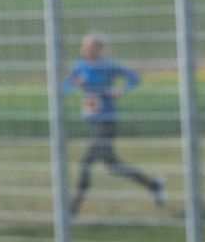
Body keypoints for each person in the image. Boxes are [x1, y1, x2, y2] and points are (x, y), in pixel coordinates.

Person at [63, 35, 162, 215]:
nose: (86, 49)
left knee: (86, 162)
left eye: (90, 46)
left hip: (107, 121)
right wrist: (75, 84)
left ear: (98, 48)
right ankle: (153, 185)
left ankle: (72, 209)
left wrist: (121, 90)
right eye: (84, 46)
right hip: (93, 122)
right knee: (112, 165)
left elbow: (134, 78)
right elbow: (65, 87)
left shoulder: (108, 66)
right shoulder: (80, 66)